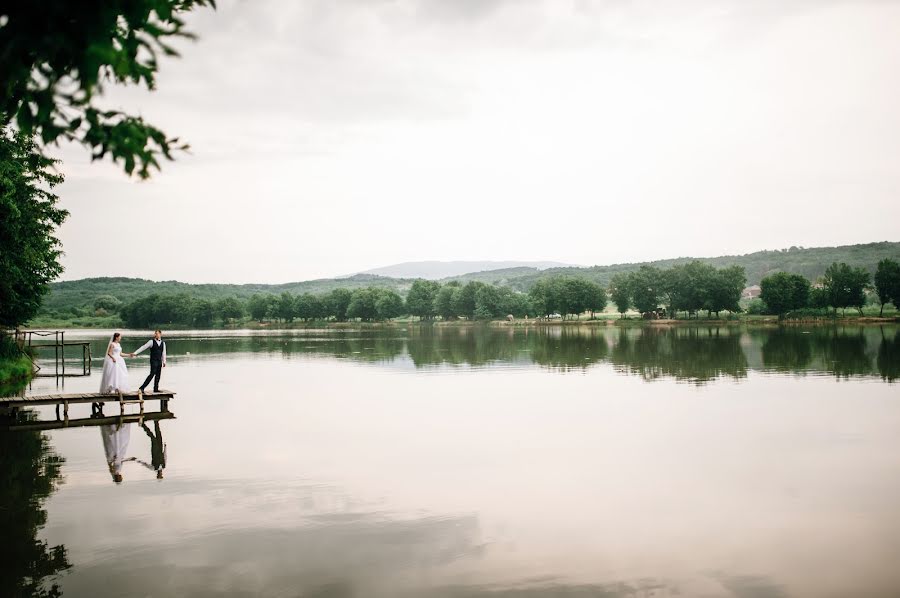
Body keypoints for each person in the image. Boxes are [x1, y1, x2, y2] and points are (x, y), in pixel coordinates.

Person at [133, 329, 167, 394]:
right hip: (153, 360)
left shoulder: (163, 343)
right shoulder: (151, 342)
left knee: (158, 375)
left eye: (156, 333)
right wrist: (135, 353)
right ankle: (142, 388)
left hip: (159, 361)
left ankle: (156, 389)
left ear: (160, 334)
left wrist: (164, 361)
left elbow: (164, 353)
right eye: (155, 333)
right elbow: (143, 347)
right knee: (152, 374)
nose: (155, 335)